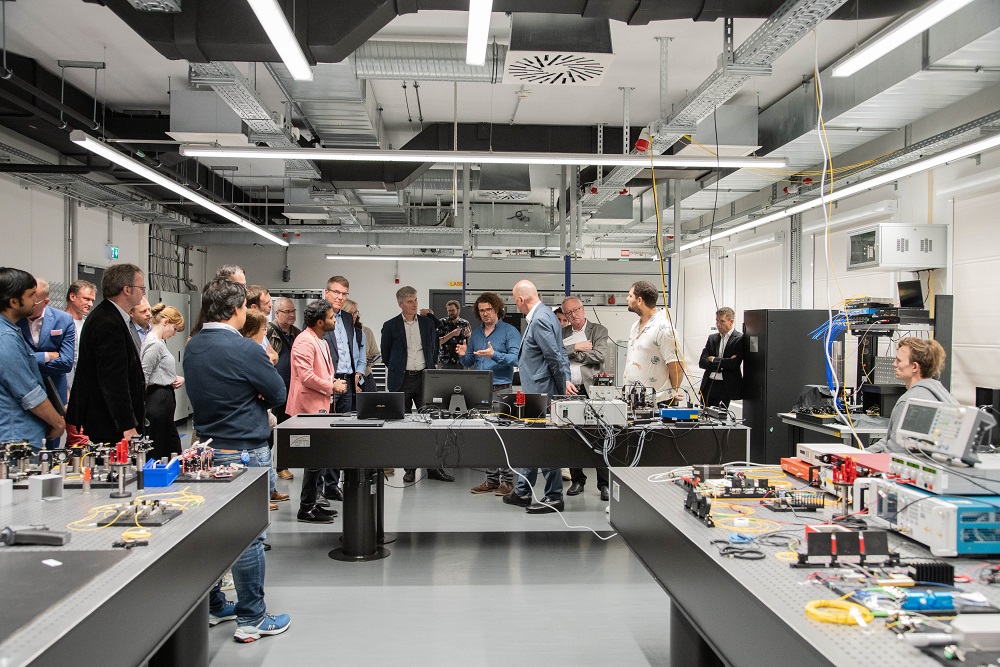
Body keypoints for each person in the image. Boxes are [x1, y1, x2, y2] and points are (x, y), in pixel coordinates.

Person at [183, 277, 291, 643]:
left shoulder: (193, 346)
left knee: (213, 531)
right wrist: (256, 395)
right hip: (245, 450)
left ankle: (214, 603)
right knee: (249, 537)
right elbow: (277, 392)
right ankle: (253, 618)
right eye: (246, 307)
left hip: (208, 448)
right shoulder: (245, 349)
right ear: (235, 310)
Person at [503, 280, 576, 514]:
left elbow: (554, 356)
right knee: (533, 441)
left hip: (542, 392)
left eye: (515, 301)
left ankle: (554, 496)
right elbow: (559, 352)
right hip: (538, 390)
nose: (516, 306)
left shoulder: (541, 318)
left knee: (544, 445)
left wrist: (559, 390)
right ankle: (523, 491)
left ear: (521, 300)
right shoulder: (544, 315)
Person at [66, 263, 146, 445]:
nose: (144, 292)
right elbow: (113, 379)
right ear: (127, 290)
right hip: (109, 424)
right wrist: (127, 425)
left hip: (108, 420)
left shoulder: (111, 317)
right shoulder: (107, 323)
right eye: (141, 288)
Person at [381, 285, 454, 484]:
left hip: (424, 378)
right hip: (402, 380)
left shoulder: (427, 324)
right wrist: (399, 369)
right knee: (404, 427)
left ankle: (433, 468)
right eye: (410, 301)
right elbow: (386, 355)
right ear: (401, 304)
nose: (415, 304)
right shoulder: (390, 326)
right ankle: (409, 469)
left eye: (415, 300)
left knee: (430, 423)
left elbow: (434, 347)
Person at [289, 299, 347, 523]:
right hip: (307, 408)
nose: (334, 320)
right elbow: (305, 377)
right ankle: (306, 509)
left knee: (317, 460)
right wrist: (331, 385)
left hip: (320, 407)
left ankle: (311, 504)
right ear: (320, 321)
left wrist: (331, 381)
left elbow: (319, 372)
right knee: (313, 461)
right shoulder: (304, 341)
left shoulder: (320, 340)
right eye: (332, 318)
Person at [457, 292, 521, 496]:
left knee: (503, 436)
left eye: (489, 310)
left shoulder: (509, 331)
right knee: (486, 437)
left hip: (502, 390)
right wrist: (462, 355)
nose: (485, 314)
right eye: (482, 311)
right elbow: (469, 362)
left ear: (497, 310)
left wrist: (495, 355)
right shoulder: (475, 334)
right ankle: (491, 480)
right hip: (480, 392)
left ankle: (507, 482)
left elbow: (516, 359)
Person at [0, 268, 65, 449]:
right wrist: (58, 423)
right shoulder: (5, 337)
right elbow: (28, 392)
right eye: (30, 296)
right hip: (16, 439)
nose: (34, 301)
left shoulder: (10, 331)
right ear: (13, 302)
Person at [561, 295, 612, 501]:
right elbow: (555, 354)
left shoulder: (598, 330)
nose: (573, 315)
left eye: (576, 310)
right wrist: (577, 347)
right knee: (573, 437)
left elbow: (598, 355)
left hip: (592, 390)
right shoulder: (562, 332)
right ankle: (577, 480)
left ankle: (604, 484)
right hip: (568, 390)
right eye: (568, 312)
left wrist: (570, 353)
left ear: (583, 309)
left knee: (600, 435)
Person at [319, 276, 365, 501]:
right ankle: (317, 489)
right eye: (336, 292)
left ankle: (332, 484)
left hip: (346, 382)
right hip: (327, 382)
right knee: (323, 436)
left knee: (341, 435)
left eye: (344, 293)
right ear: (326, 292)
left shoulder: (346, 317)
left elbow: (350, 347)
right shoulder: (318, 316)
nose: (340, 297)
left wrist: (356, 374)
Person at [870, 337, 958, 454]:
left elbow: (894, 451)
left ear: (915, 367)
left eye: (899, 361)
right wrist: (858, 454)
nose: (894, 364)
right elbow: (890, 440)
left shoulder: (910, 401)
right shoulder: (942, 393)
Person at [240, 309, 288, 509]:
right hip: (252, 416)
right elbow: (275, 391)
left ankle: (266, 495)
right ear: (252, 330)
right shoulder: (250, 351)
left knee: (263, 457)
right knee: (257, 461)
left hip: (261, 411)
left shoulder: (256, 347)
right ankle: (261, 499)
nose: (266, 332)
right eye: (263, 329)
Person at [623, 280, 684, 404]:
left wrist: (671, 392)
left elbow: (677, 368)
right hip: (634, 399)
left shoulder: (663, 328)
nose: (627, 298)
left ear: (639, 300)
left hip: (656, 401)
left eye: (630, 296)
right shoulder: (635, 326)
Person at [17, 278, 75, 407]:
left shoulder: (63, 320)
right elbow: (12, 361)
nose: (26, 304)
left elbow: (66, 363)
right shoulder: (14, 319)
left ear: (45, 302)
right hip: (22, 392)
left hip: (54, 393)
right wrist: (46, 356)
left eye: (34, 301)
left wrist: (27, 365)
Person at [140, 304, 185, 462]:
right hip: (157, 401)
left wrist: (173, 377)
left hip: (163, 398)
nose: (174, 334)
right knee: (159, 445)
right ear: (165, 322)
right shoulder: (154, 344)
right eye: (175, 329)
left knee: (171, 443)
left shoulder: (159, 343)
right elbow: (144, 375)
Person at [267, 297, 300, 481]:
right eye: (287, 311)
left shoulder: (297, 332)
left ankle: (282, 465)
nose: (291, 315)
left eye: (293, 311)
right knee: (271, 427)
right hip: (274, 387)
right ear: (277, 313)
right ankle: (267, 468)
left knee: (286, 428)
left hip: (292, 387)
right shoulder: (268, 332)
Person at [698, 306, 744, 410]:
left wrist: (714, 360)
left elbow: (734, 364)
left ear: (731, 321)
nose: (718, 325)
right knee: (704, 416)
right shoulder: (712, 338)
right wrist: (724, 363)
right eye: (717, 321)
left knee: (719, 418)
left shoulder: (739, 339)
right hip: (709, 384)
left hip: (725, 386)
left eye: (722, 321)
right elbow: (702, 362)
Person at [64, 279, 96, 393]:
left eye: (92, 300)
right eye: (86, 299)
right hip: (66, 385)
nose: (90, 304)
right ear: (72, 296)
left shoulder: (90, 325)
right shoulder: (58, 323)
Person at [247, 285, 279, 366]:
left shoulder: (261, 326)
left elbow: (274, 355)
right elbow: (257, 361)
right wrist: (269, 360)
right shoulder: (247, 328)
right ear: (254, 307)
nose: (271, 304)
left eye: (270, 301)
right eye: (266, 303)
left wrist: (270, 358)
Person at [437, 299, 470, 369]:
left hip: (461, 360)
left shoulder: (465, 323)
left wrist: (469, 335)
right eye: (449, 311)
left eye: (452, 310)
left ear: (458, 310)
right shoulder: (442, 322)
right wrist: (452, 334)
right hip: (445, 360)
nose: (450, 313)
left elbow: (469, 343)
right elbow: (438, 341)